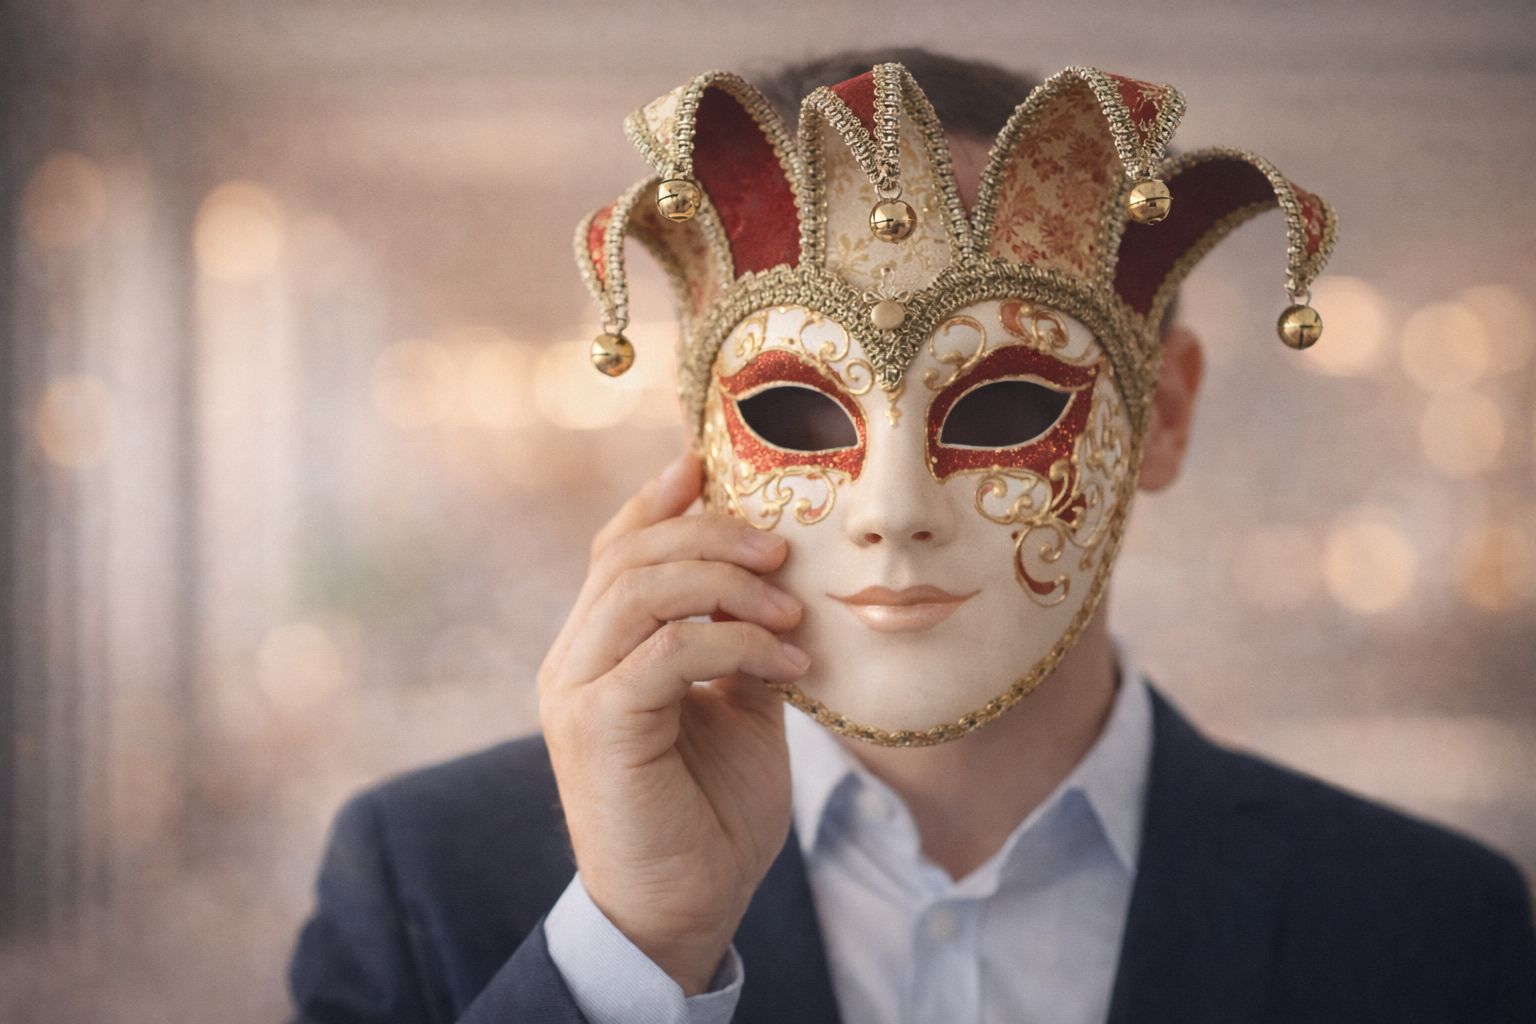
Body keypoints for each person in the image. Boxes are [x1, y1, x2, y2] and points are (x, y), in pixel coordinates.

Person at [288, 51, 1536, 1024]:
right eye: (797, 411)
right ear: (705, 442)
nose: (894, 504)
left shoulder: (1430, 931)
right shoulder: (429, 883)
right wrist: (630, 960)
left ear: (1160, 415)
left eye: (1004, 402)